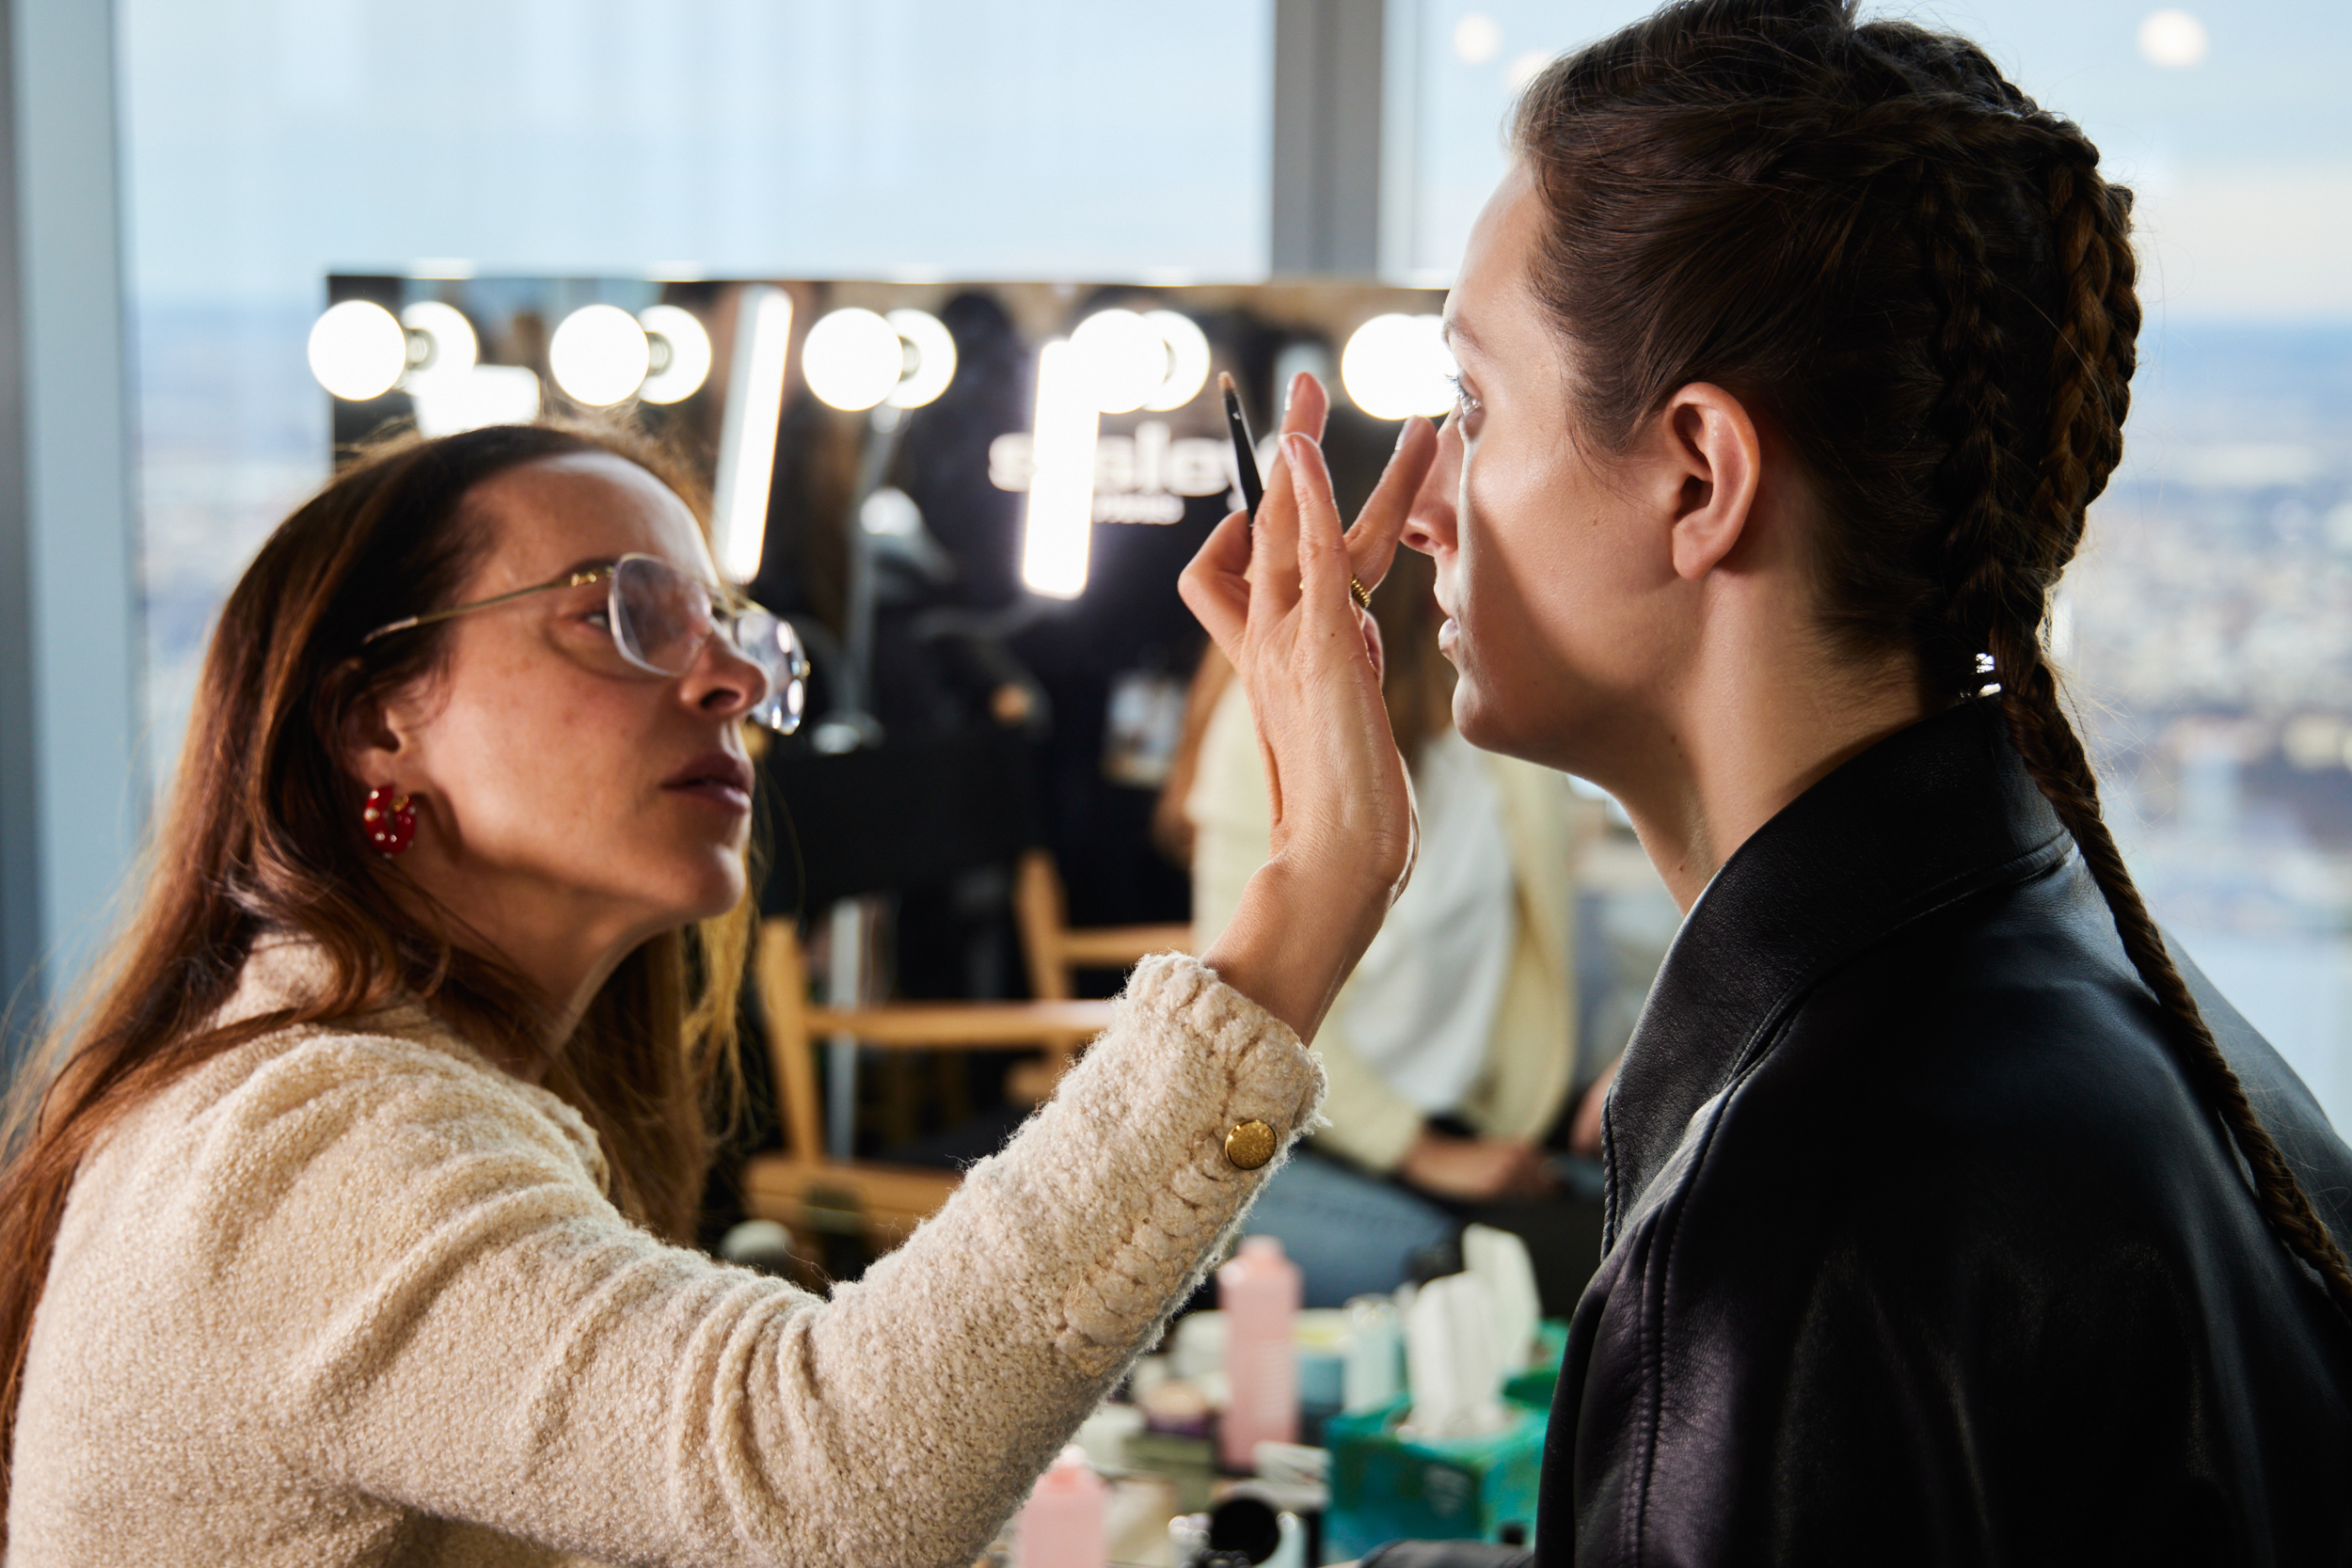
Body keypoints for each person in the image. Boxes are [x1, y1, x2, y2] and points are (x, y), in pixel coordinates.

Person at [1179, 2, 2352, 1560]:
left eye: (1473, 407)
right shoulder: (2142, 1006)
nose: (1431, 507)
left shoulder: (1797, 1216)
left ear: (1699, 477)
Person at [0, 417, 1438, 1564]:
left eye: (734, 635)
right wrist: (1310, 890)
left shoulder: (382, 1089)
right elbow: (828, 1479)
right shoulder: (304, 1134)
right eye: (622, 613)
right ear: (377, 716)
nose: (729, 682)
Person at [1183, 549, 1612, 1309]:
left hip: (1477, 1127)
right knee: (1495, 1278)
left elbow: (1562, 945)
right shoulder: (1259, 730)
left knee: (1632, 1243)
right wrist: (1421, 1151)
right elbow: (1252, 1016)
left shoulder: (1491, 718)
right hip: (1296, 1142)